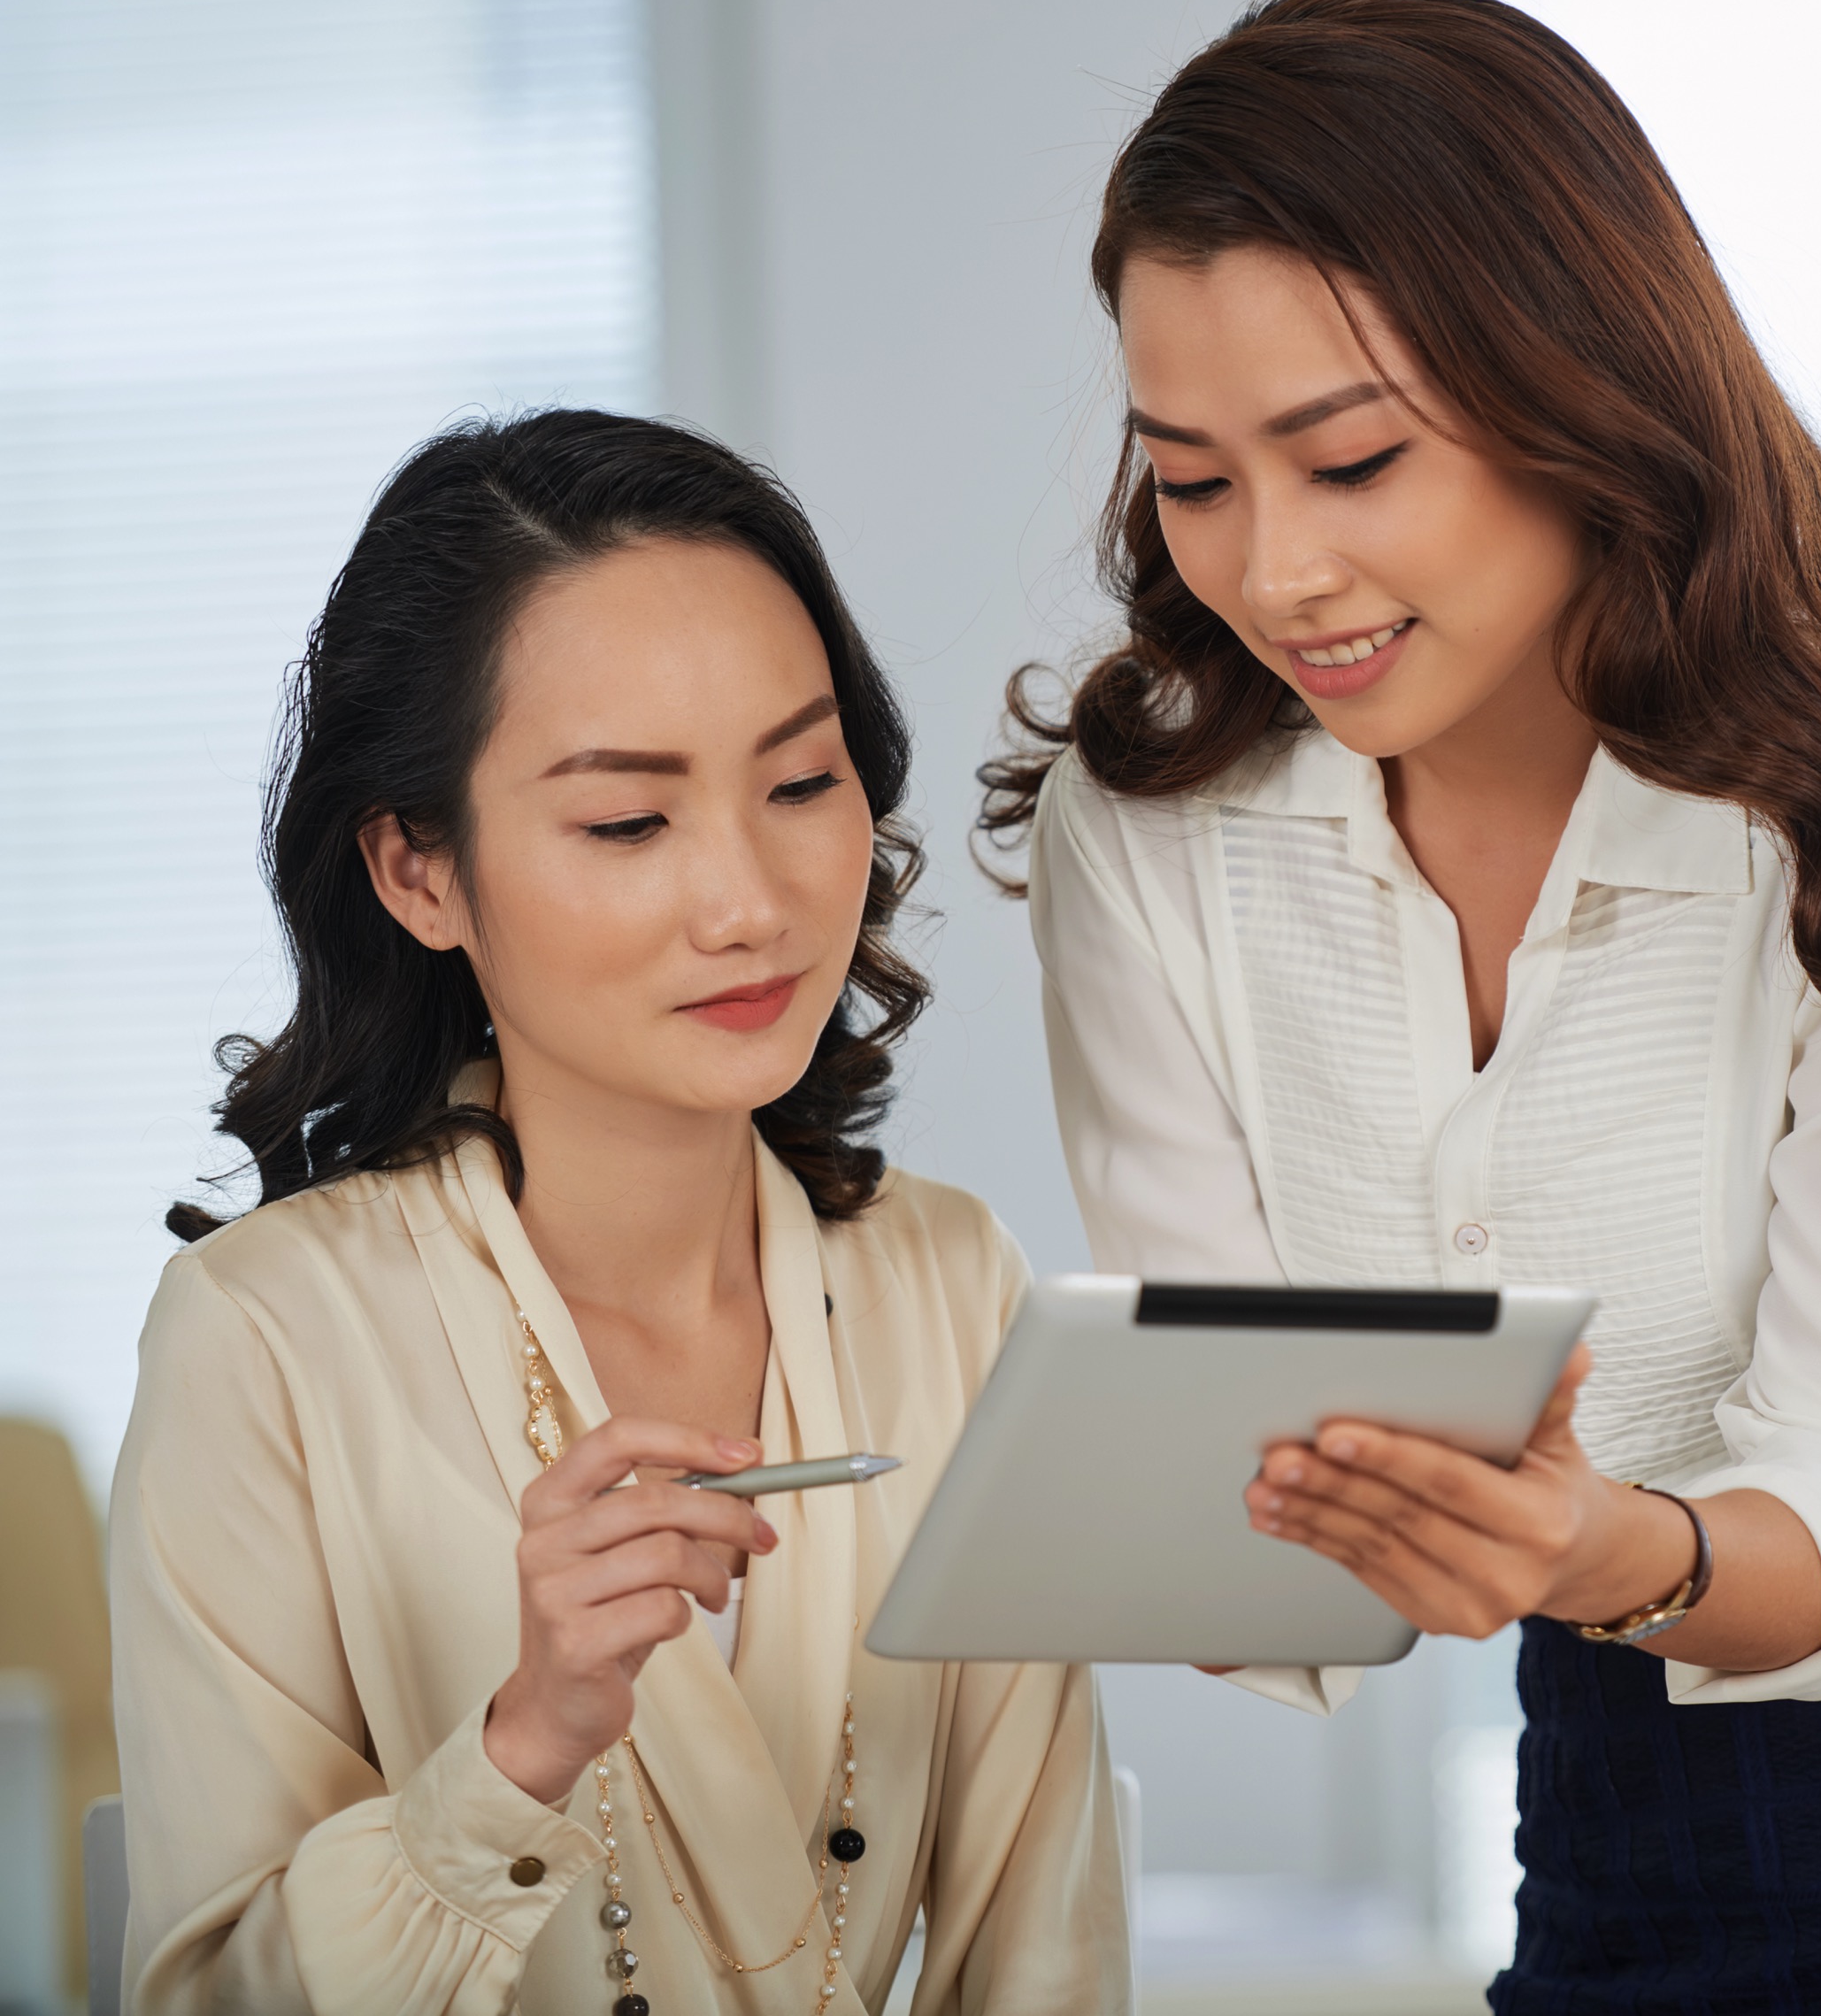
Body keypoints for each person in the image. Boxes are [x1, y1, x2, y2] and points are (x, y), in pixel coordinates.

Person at [982, 0, 1821, 2014]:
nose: (1273, 576)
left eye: (1350, 460)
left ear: (1572, 391)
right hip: (1624, 1759)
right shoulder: (1150, 827)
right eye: (1192, 480)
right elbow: (1244, 1500)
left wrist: (1577, 1547)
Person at [111, 411, 1126, 2014]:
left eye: (802, 781)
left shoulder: (951, 1280)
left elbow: (1044, 1947)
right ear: (419, 872)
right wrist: (522, 1747)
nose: (751, 902)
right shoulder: (265, 1339)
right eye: (630, 823)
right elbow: (204, 1995)